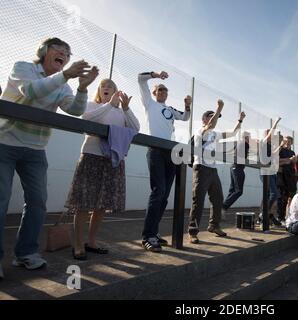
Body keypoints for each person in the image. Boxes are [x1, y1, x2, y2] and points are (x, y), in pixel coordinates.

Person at [0, 38, 98, 277]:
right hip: (4, 142)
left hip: (36, 150)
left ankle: (25, 254)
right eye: (59, 50)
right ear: (43, 51)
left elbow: (74, 110)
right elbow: (30, 91)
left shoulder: (63, 85)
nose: (64, 55)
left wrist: (83, 88)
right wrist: (66, 76)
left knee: (37, 202)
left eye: (67, 52)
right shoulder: (23, 67)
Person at [65, 79, 140, 260]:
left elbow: (136, 128)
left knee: (101, 205)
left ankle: (91, 242)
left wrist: (126, 108)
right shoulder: (93, 105)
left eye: (110, 86)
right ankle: (77, 244)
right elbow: (87, 118)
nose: (106, 88)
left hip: (111, 160)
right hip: (91, 157)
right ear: (99, 90)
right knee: (83, 203)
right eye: (103, 86)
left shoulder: (122, 112)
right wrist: (109, 105)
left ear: (116, 90)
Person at [138, 70, 192, 252]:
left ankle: (154, 232)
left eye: (165, 91)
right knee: (158, 191)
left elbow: (185, 117)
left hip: (170, 152)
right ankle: (148, 235)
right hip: (155, 150)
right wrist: (156, 75)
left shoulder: (169, 110)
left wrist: (187, 106)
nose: (162, 92)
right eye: (159, 90)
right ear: (154, 93)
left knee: (165, 196)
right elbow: (140, 78)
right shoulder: (149, 104)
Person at [188, 100, 246, 244]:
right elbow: (211, 125)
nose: (214, 119)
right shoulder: (200, 131)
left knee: (218, 199)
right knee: (198, 201)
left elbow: (233, 133)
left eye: (215, 116)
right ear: (204, 119)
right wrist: (219, 108)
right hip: (201, 168)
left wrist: (240, 120)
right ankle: (193, 232)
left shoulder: (215, 134)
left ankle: (214, 226)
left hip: (213, 169)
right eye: (211, 116)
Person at [258, 118, 283, 227]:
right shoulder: (263, 142)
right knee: (274, 194)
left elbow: (274, 153)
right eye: (269, 134)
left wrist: (281, 145)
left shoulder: (270, 145)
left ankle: (264, 214)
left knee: (269, 194)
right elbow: (271, 132)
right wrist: (276, 123)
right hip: (265, 172)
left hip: (271, 172)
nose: (271, 136)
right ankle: (264, 213)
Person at [222, 130, 250, 213]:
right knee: (238, 191)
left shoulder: (238, 143)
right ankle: (223, 207)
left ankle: (223, 208)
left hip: (234, 167)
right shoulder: (245, 144)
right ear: (246, 137)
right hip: (237, 168)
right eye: (249, 137)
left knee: (233, 190)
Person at [276, 136, 297, 224]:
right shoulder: (280, 150)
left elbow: (293, 163)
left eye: (289, 141)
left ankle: (285, 216)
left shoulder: (292, 152)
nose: (287, 142)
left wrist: (294, 160)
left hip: (289, 175)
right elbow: (275, 159)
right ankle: (279, 217)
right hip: (280, 174)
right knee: (280, 196)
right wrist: (288, 160)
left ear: (292, 143)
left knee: (288, 196)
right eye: (286, 141)